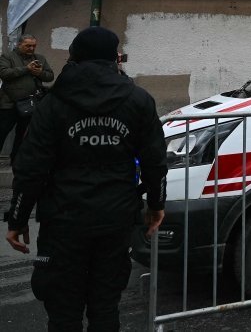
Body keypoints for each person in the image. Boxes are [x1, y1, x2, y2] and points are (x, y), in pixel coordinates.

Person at [4, 27, 167, 332]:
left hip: (64, 219)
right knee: (105, 307)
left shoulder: (53, 103)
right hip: (115, 217)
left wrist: (18, 218)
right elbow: (155, 161)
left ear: (74, 58)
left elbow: (31, 167)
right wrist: (156, 204)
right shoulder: (137, 100)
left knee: (64, 312)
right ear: (113, 58)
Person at [0, 33, 54, 162]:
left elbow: (50, 76)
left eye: (34, 46)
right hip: (9, 104)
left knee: (23, 135)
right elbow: (4, 73)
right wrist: (26, 69)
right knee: (2, 132)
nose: (31, 48)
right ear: (19, 45)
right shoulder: (7, 57)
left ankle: (17, 161)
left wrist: (40, 73)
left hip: (29, 104)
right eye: (28, 46)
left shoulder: (39, 58)